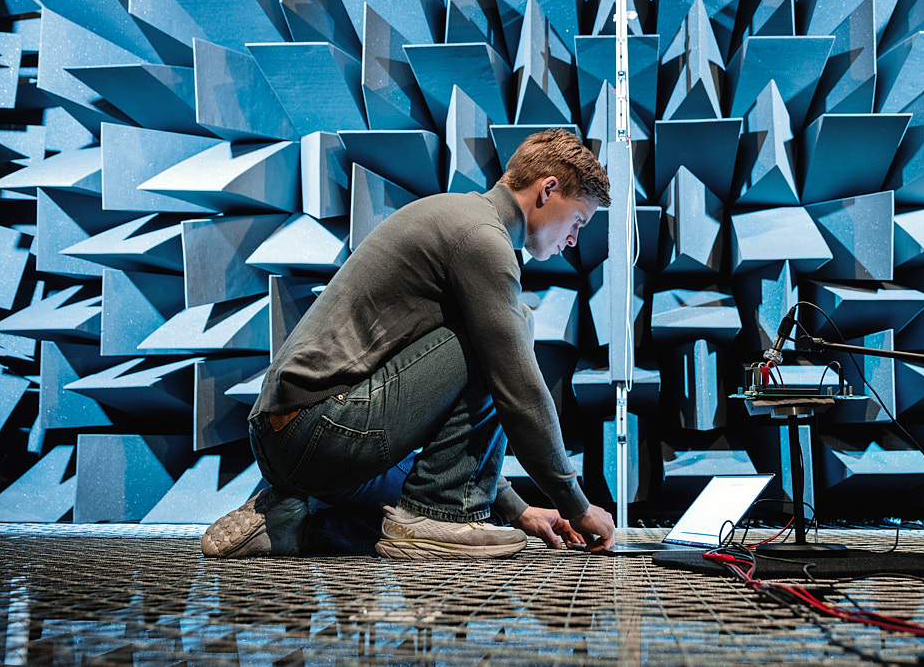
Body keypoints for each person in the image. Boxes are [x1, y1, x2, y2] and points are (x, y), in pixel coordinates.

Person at [201, 129, 616, 559]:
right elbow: (519, 391)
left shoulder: (456, 214)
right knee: (514, 332)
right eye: (577, 221)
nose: (573, 240)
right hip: (321, 431)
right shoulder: (483, 239)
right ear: (548, 190)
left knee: (399, 511)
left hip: (288, 440)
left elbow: (449, 426)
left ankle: (290, 522)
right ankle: (440, 517)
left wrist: (518, 509)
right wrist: (576, 504)